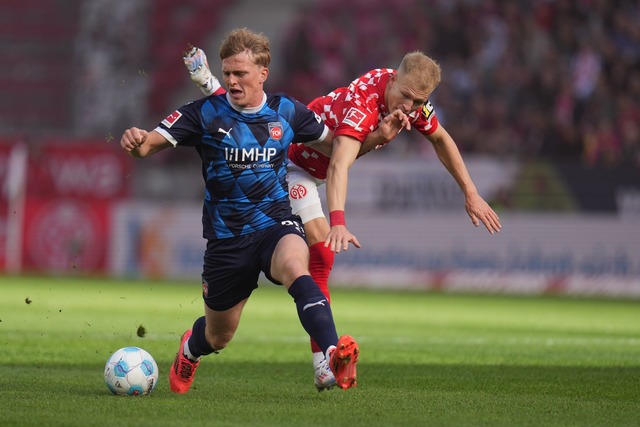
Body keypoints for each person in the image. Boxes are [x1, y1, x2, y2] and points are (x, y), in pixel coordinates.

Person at [183, 46, 502, 390]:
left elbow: (440, 138)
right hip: (289, 164)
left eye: (417, 101)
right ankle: (324, 363)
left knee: (225, 330)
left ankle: (323, 361)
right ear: (393, 79)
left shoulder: (409, 98)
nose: (409, 106)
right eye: (406, 96)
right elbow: (338, 162)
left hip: (312, 168)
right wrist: (338, 219)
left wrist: (470, 191)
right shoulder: (364, 105)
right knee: (320, 253)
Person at [120, 28, 360, 394]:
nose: (231, 81)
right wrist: (136, 140)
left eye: (240, 74)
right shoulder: (203, 113)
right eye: (227, 73)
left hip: (275, 224)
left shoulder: (288, 111)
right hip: (227, 239)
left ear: (262, 73)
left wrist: (377, 134)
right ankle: (190, 348)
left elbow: (338, 146)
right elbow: (147, 146)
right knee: (218, 336)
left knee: (298, 266)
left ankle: (331, 353)